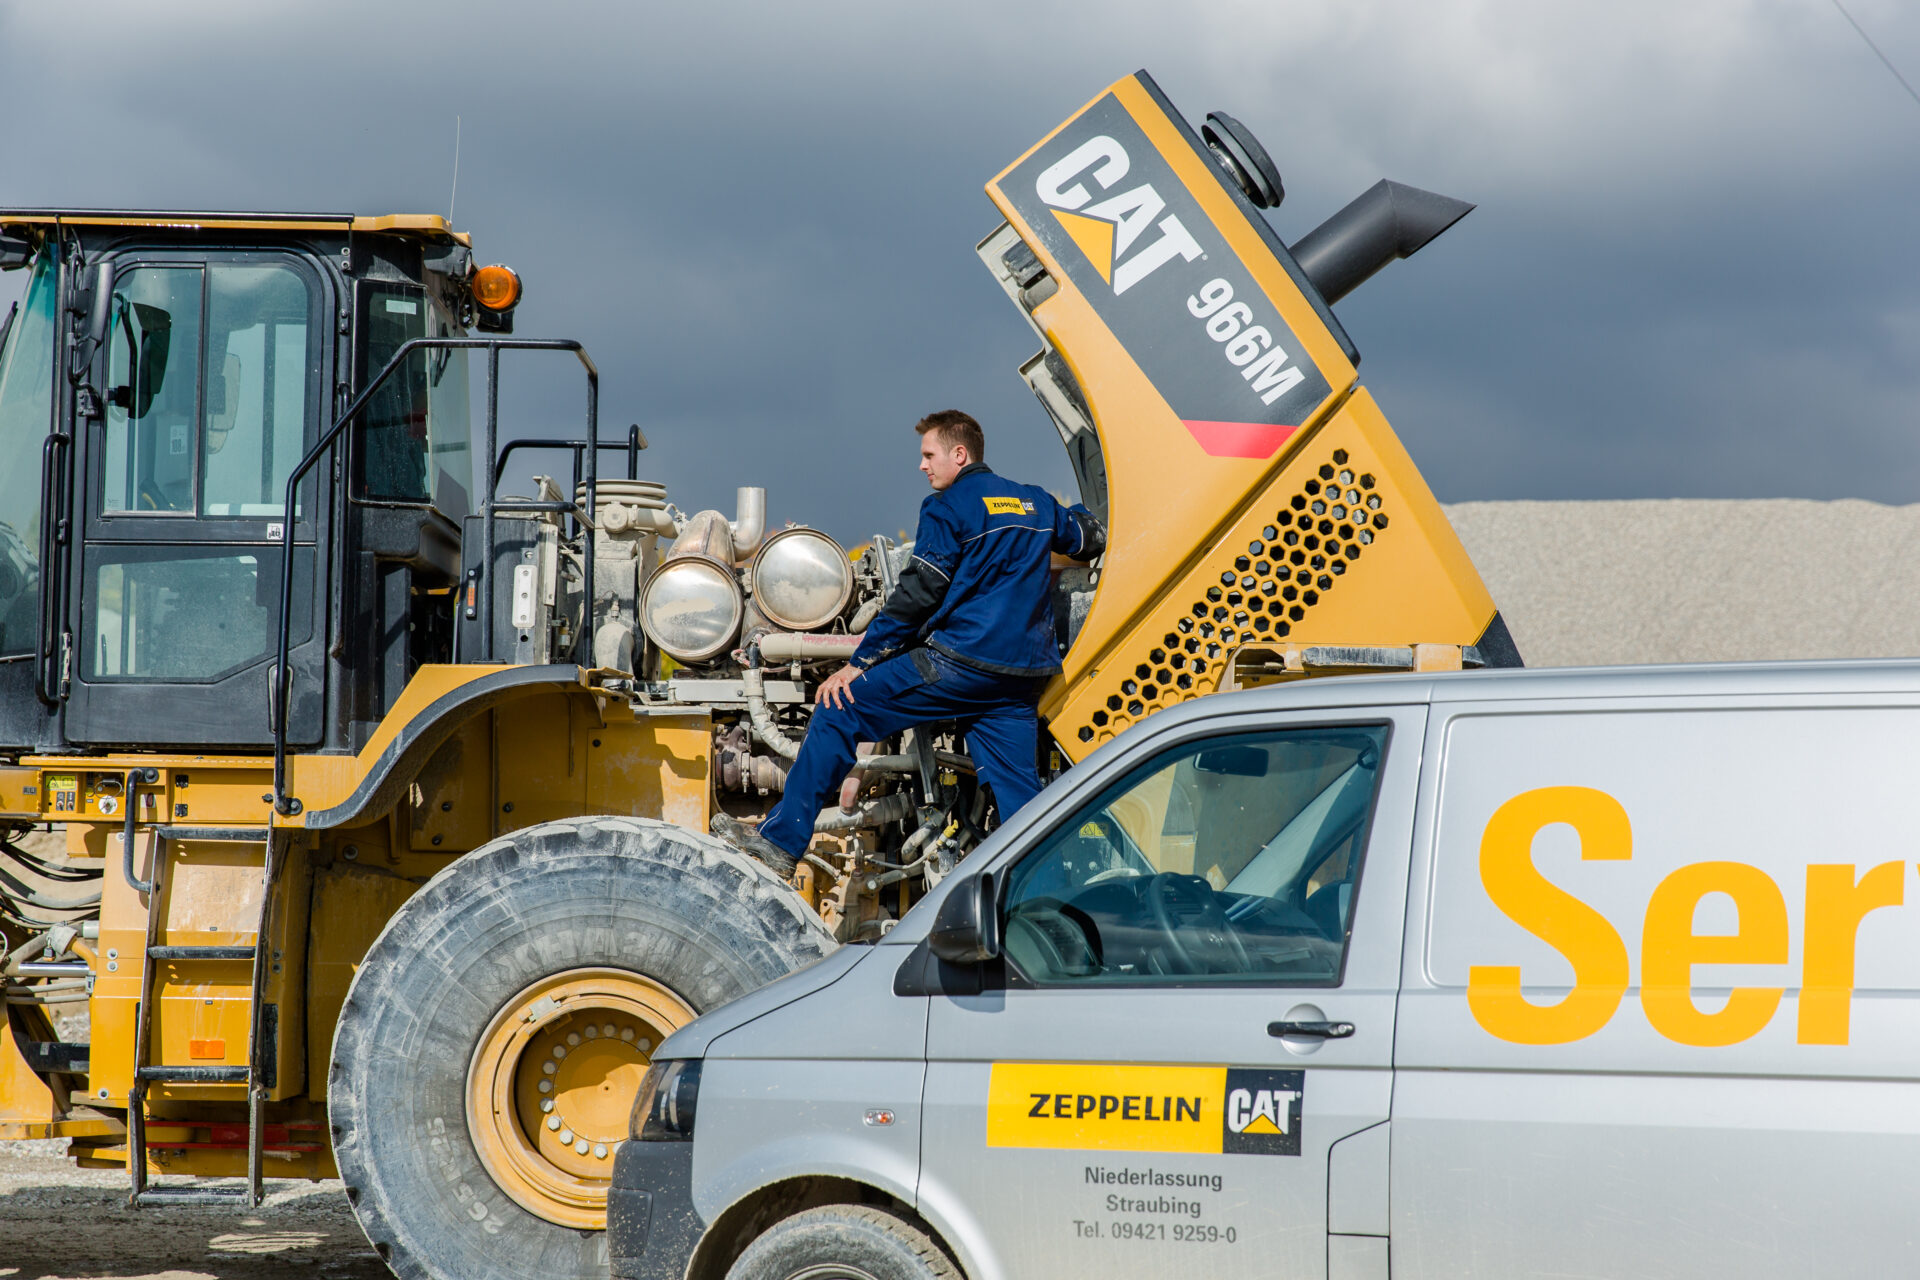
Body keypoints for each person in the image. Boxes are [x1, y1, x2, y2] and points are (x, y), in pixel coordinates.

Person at [713, 410, 1105, 877]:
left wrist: (859, 663)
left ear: (960, 454)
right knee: (1022, 802)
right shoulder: (1034, 502)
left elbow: (920, 591)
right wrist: (1083, 518)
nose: (922, 466)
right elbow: (1088, 537)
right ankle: (1052, 894)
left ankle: (780, 841)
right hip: (1020, 679)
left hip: (961, 664)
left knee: (841, 706)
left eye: (929, 454)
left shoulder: (948, 506)